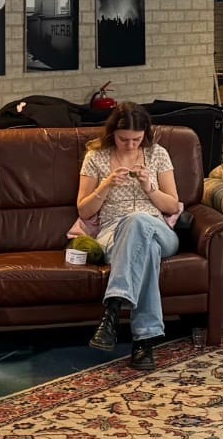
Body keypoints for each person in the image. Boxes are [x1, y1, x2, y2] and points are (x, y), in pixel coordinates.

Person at [76, 105, 183, 372]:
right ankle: (144, 342)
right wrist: (106, 185)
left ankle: (113, 307)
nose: (131, 145)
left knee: (138, 221)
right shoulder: (95, 157)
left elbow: (172, 205)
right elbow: (84, 210)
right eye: (124, 139)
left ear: (145, 134)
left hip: (158, 229)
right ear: (113, 133)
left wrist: (150, 188)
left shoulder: (158, 154)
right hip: (113, 234)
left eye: (136, 139)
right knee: (147, 251)